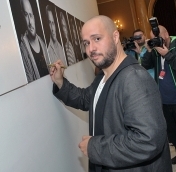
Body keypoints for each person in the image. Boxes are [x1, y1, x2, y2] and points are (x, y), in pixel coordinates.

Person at [49, 15, 172, 171]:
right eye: (86, 43)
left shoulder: (134, 78)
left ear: (115, 37)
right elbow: (86, 99)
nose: (91, 49)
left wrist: (95, 147)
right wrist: (60, 82)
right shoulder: (103, 75)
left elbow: (148, 141)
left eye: (97, 39)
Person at [141, 25, 176, 165]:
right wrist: (149, 50)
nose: (156, 41)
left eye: (158, 37)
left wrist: (167, 54)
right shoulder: (155, 50)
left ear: (166, 34)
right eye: (153, 39)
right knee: (172, 131)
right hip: (164, 100)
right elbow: (146, 66)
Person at [19, 0, 49, 83]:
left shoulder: (42, 43)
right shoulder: (23, 48)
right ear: (22, 17)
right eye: (26, 15)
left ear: (34, 18)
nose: (30, 22)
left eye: (31, 15)